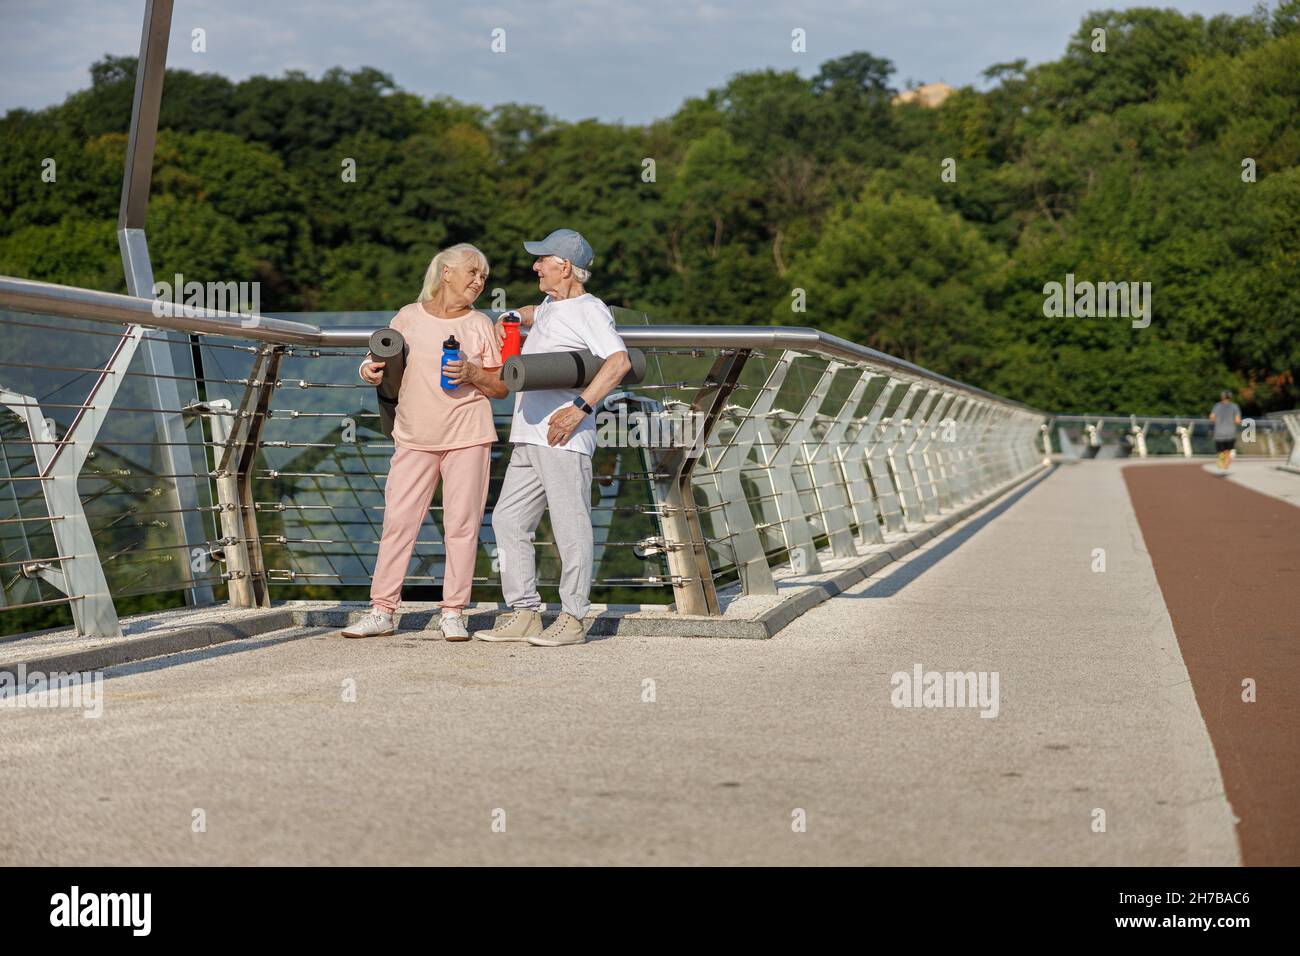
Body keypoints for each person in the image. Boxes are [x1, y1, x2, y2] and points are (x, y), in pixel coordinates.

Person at [473, 229, 632, 646]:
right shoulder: (550, 304)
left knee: (569, 525)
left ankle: (574, 619)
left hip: (564, 436)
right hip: (528, 435)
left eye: (542, 259)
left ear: (564, 265)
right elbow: (535, 313)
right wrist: (513, 316)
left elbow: (618, 362)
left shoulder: (589, 310)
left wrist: (580, 408)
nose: (535, 266)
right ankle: (525, 612)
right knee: (507, 520)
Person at [342, 244, 508, 641]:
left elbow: (501, 386)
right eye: (472, 272)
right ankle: (382, 610)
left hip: (468, 435)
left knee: (462, 526)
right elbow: (376, 358)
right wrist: (367, 369)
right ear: (446, 273)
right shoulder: (407, 317)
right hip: (414, 435)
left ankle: (453, 612)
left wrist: (471, 372)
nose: (478, 282)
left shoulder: (480, 324)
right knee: (398, 523)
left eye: (483, 277)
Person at [1210, 390, 1242, 471]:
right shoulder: (1235, 406)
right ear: (1230, 397)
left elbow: (1212, 418)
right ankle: (1225, 466)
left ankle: (1221, 459)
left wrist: (1218, 421)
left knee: (1220, 451)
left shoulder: (1217, 406)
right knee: (1227, 451)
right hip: (1230, 432)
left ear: (1222, 397)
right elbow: (1238, 420)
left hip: (1219, 432)